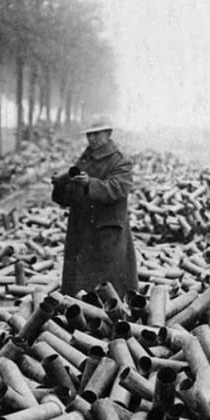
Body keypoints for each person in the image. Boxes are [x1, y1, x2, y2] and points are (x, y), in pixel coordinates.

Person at [51, 116, 138, 298]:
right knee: (81, 285)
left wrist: (90, 184)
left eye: (96, 134)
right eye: (89, 135)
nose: (91, 139)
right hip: (82, 229)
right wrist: (60, 185)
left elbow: (118, 189)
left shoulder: (120, 161)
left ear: (108, 134)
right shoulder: (84, 161)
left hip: (107, 230)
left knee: (111, 286)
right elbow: (70, 197)